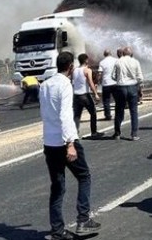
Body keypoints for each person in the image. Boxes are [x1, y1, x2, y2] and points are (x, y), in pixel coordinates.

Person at [39, 51, 102, 240]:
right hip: (64, 141)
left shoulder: (45, 85)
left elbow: (45, 113)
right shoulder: (65, 84)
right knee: (84, 176)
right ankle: (83, 220)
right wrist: (70, 144)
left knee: (57, 186)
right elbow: (66, 115)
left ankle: (57, 231)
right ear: (71, 68)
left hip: (49, 142)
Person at [112, 47, 144, 141]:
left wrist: (120, 80)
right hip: (132, 87)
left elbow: (113, 76)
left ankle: (117, 133)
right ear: (131, 53)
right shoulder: (135, 62)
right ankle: (134, 134)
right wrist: (140, 88)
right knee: (133, 111)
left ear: (123, 53)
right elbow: (140, 77)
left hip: (121, 87)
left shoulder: (118, 62)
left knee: (119, 111)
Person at [72, 53, 103, 139]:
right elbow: (90, 82)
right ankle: (94, 132)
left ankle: (75, 134)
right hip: (84, 95)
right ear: (86, 60)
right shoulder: (87, 70)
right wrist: (95, 94)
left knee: (77, 115)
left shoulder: (74, 70)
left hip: (76, 95)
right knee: (93, 113)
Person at [98, 49, 118, 121]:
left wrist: (98, 81)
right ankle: (118, 114)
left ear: (104, 55)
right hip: (115, 82)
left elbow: (100, 73)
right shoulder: (116, 60)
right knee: (117, 99)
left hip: (106, 83)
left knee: (106, 100)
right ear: (111, 53)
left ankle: (108, 115)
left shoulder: (102, 62)